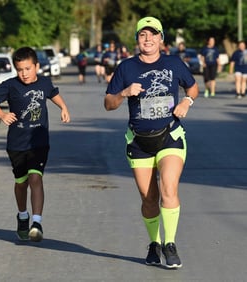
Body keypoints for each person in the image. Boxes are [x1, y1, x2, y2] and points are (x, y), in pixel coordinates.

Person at [104, 16, 199, 269]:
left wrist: (186, 102)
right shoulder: (126, 68)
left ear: (161, 38)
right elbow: (108, 104)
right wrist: (124, 93)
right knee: (149, 198)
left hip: (170, 136)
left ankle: (170, 244)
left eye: (153, 34)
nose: (148, 39)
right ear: (137, 39)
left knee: (169, 188)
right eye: (143, 35)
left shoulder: (173, 63)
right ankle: (154, 243)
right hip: (138, 141)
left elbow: (193, 87)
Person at [0, 47, 70, 242]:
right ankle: (23, 215)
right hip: (16, 144)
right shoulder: (11, 86)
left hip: (39, 142)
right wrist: (1, 114)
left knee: (35, 178)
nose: (24, 73)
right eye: (20, 69)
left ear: (37, 67)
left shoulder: (44, 83)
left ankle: (37, 222)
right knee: (21, 183)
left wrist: (63, 107)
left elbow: (53, 93)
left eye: (28, 68)